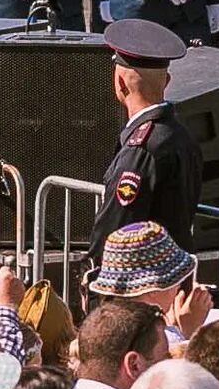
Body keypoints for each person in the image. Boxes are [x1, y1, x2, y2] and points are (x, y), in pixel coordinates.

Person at [86, 17, 203, 259]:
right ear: (167, 81)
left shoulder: (141, 148)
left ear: (120, 84)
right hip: (172, 271)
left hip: (139, 282)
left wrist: (93, 278)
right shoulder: (180, 133)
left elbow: (116, 229)